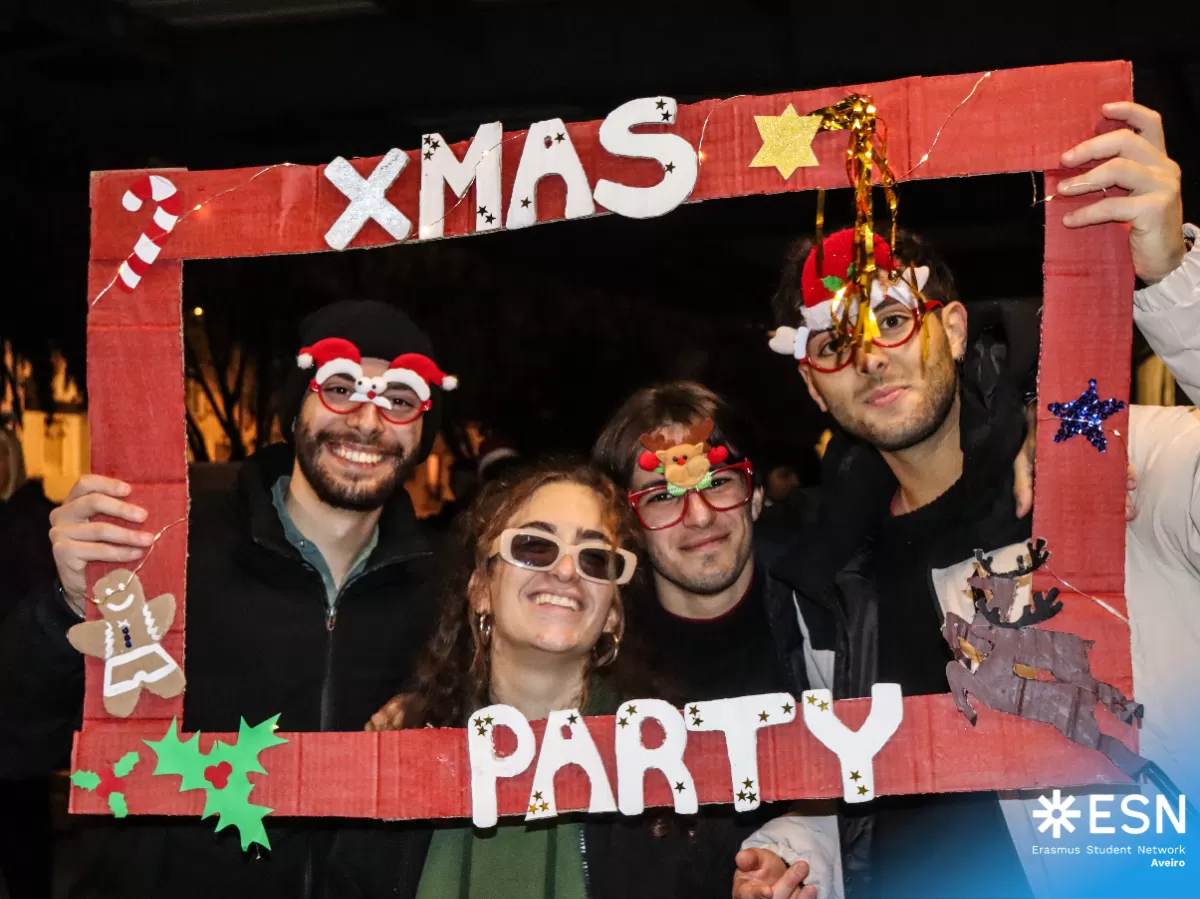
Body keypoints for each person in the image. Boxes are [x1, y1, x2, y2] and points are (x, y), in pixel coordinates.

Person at [746, 101, 1197, 899]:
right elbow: (883, 787)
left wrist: (1173, 281)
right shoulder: (826, 582)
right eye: (836, 344)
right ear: (813, 387)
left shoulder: (1103, 466)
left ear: (952, 329)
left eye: (893, 318)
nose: (871, 359)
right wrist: (799, 848)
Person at [0, 299, 452, 898]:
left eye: (399, 399)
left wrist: (438, 709)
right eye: (340, 389)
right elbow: (16, 737)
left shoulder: (445, 590)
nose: (367, 422)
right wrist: (71, 605)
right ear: (296, 410)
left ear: (422, 433)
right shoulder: (168, 547)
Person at [330, 459, 744, 899]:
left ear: (612, 614)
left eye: (594, 557)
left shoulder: (674, 772)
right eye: (533, 546)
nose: (566, 571)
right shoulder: (402, 761)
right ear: (481, 591)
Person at [592, 382, 837, 899]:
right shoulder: (595, 658)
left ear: (757, 496)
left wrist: (804, 865)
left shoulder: (836, 629)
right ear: (628, 526)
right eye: (663, 495)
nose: (700, 515)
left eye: (719, 481)